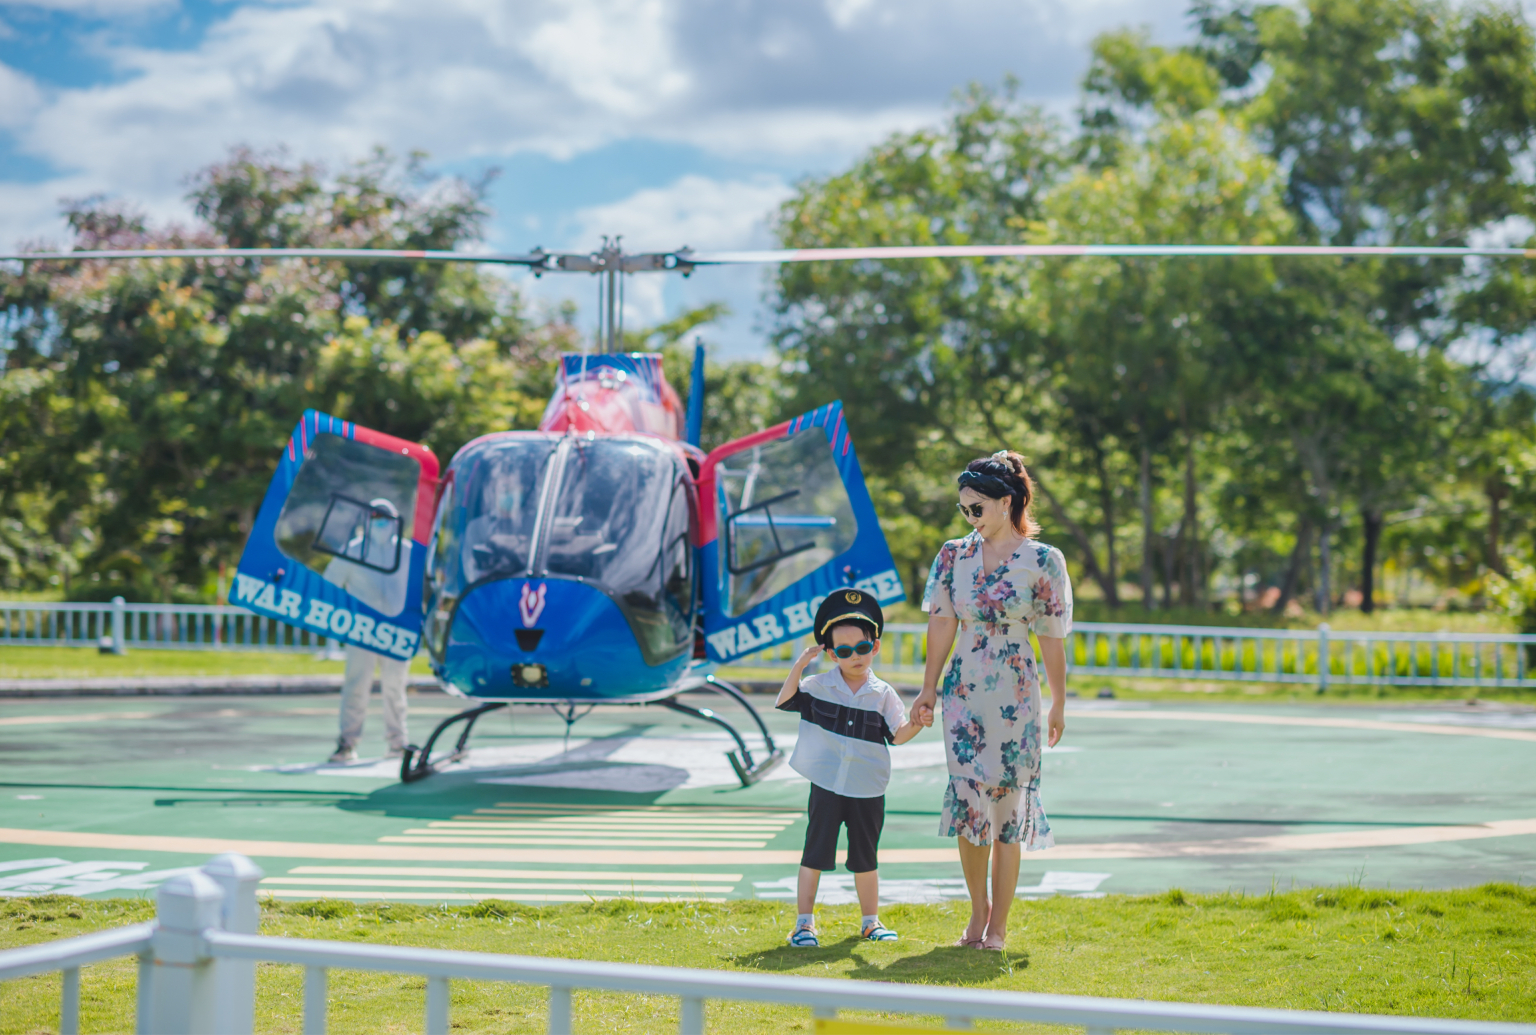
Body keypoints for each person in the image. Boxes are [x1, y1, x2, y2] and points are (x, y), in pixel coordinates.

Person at [911, 451, 1072, 951]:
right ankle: (976, 912)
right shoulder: (951, 555)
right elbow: (942, 622)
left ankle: (999, 925)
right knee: (968, 800)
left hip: (1016, 693)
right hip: (963, 692)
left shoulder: (1044, 561)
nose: (969, 518)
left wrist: (1060, 702)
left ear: (1007, 502)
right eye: (963, 510)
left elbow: (1051, 637)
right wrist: (928, 687)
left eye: (976, 508)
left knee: (1007, 805)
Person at [775, 589, 928, 948]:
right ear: (831, 654)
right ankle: (803, 924)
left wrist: (919, 721)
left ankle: (870, 922)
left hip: (867, 788)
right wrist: (799, 665)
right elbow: (785, 701)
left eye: (862, 648)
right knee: (815, 853)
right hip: (826, 785)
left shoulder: (883, 694)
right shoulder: (817, 686)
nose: (854, 657)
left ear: (875, 646)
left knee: (865, 857)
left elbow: (898, 734)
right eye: (843, 651)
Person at [323, 498, 412, 763]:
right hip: (361, 629)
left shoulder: (407, 551)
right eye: (375, 516)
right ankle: (347, 743)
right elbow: (331, 584)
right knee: (356, 685)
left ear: (395, 520)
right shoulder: (353, 549)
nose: (380, 522)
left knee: (395, 687)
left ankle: (398, 742)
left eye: (385, 517)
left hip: (396, 630)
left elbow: (422, 587)